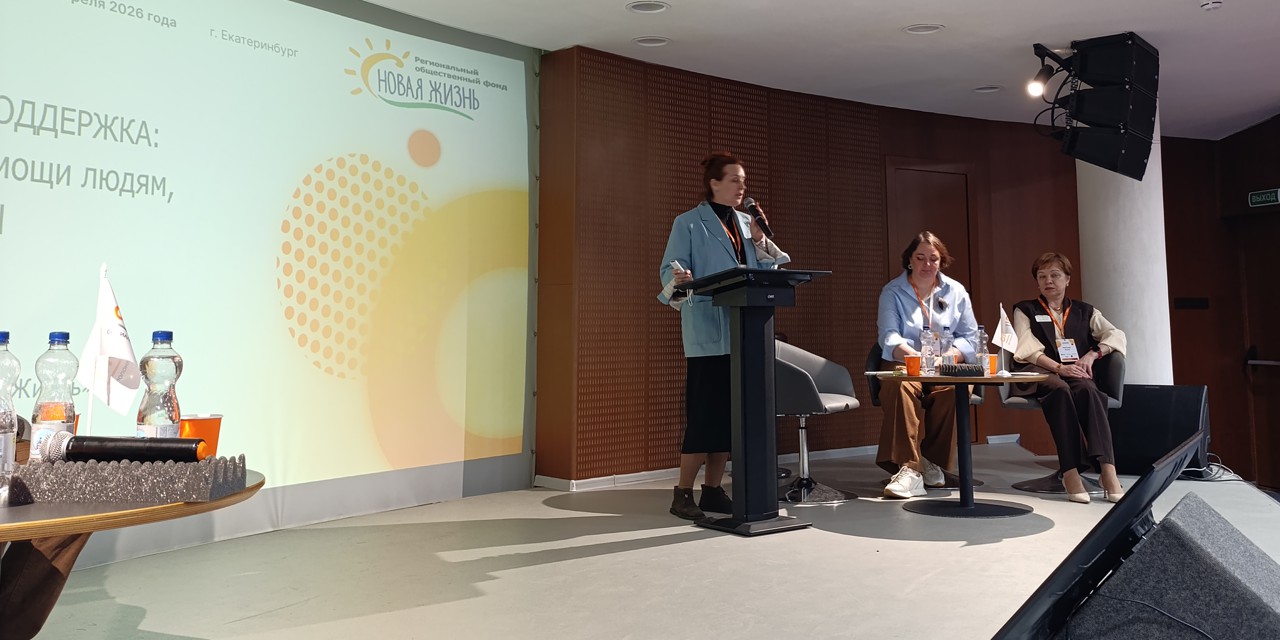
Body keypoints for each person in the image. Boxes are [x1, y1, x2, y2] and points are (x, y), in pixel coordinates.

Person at [657, 151, 790, 520]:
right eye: (734, 180)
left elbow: (774, 267)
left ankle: (713, 490)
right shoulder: (688, 223)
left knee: (729, 419)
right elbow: (669, 269)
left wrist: (760, 239)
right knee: (704, 417)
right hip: (708, 332)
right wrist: (680, 278)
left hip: (743, 332)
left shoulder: (748, 223)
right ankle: (682, 493)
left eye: (743, 181)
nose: (741, 187)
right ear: (714, 183)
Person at [1010, 252, 1127, 503]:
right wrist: (1058, 368)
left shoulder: (1085, 311)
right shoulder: (1025, 309)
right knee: (1059, 389)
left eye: (1055, 275)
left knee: (1089, 390)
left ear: (1067, 279)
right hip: (1038, 371)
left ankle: (1108, 469)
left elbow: (1116, 335)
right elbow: (1026, 348)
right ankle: (1070, 471)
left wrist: (1092, 355)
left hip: (1074, 370)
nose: (1048, 281)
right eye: (1042, 276)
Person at [876, 231, 978, 498]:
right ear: (909, 260)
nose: (927, 264)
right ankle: (909, 469)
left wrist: (950, 356)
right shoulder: (893, 291)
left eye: (933, 258)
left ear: (941, 261)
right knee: (900, 387)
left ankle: (931, 461)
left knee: (956, 390)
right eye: (920, 258)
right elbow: (889, 335)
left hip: (945, 365)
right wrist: (916, 358)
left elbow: (970, 337)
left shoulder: (956, 291)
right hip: (905, 362)